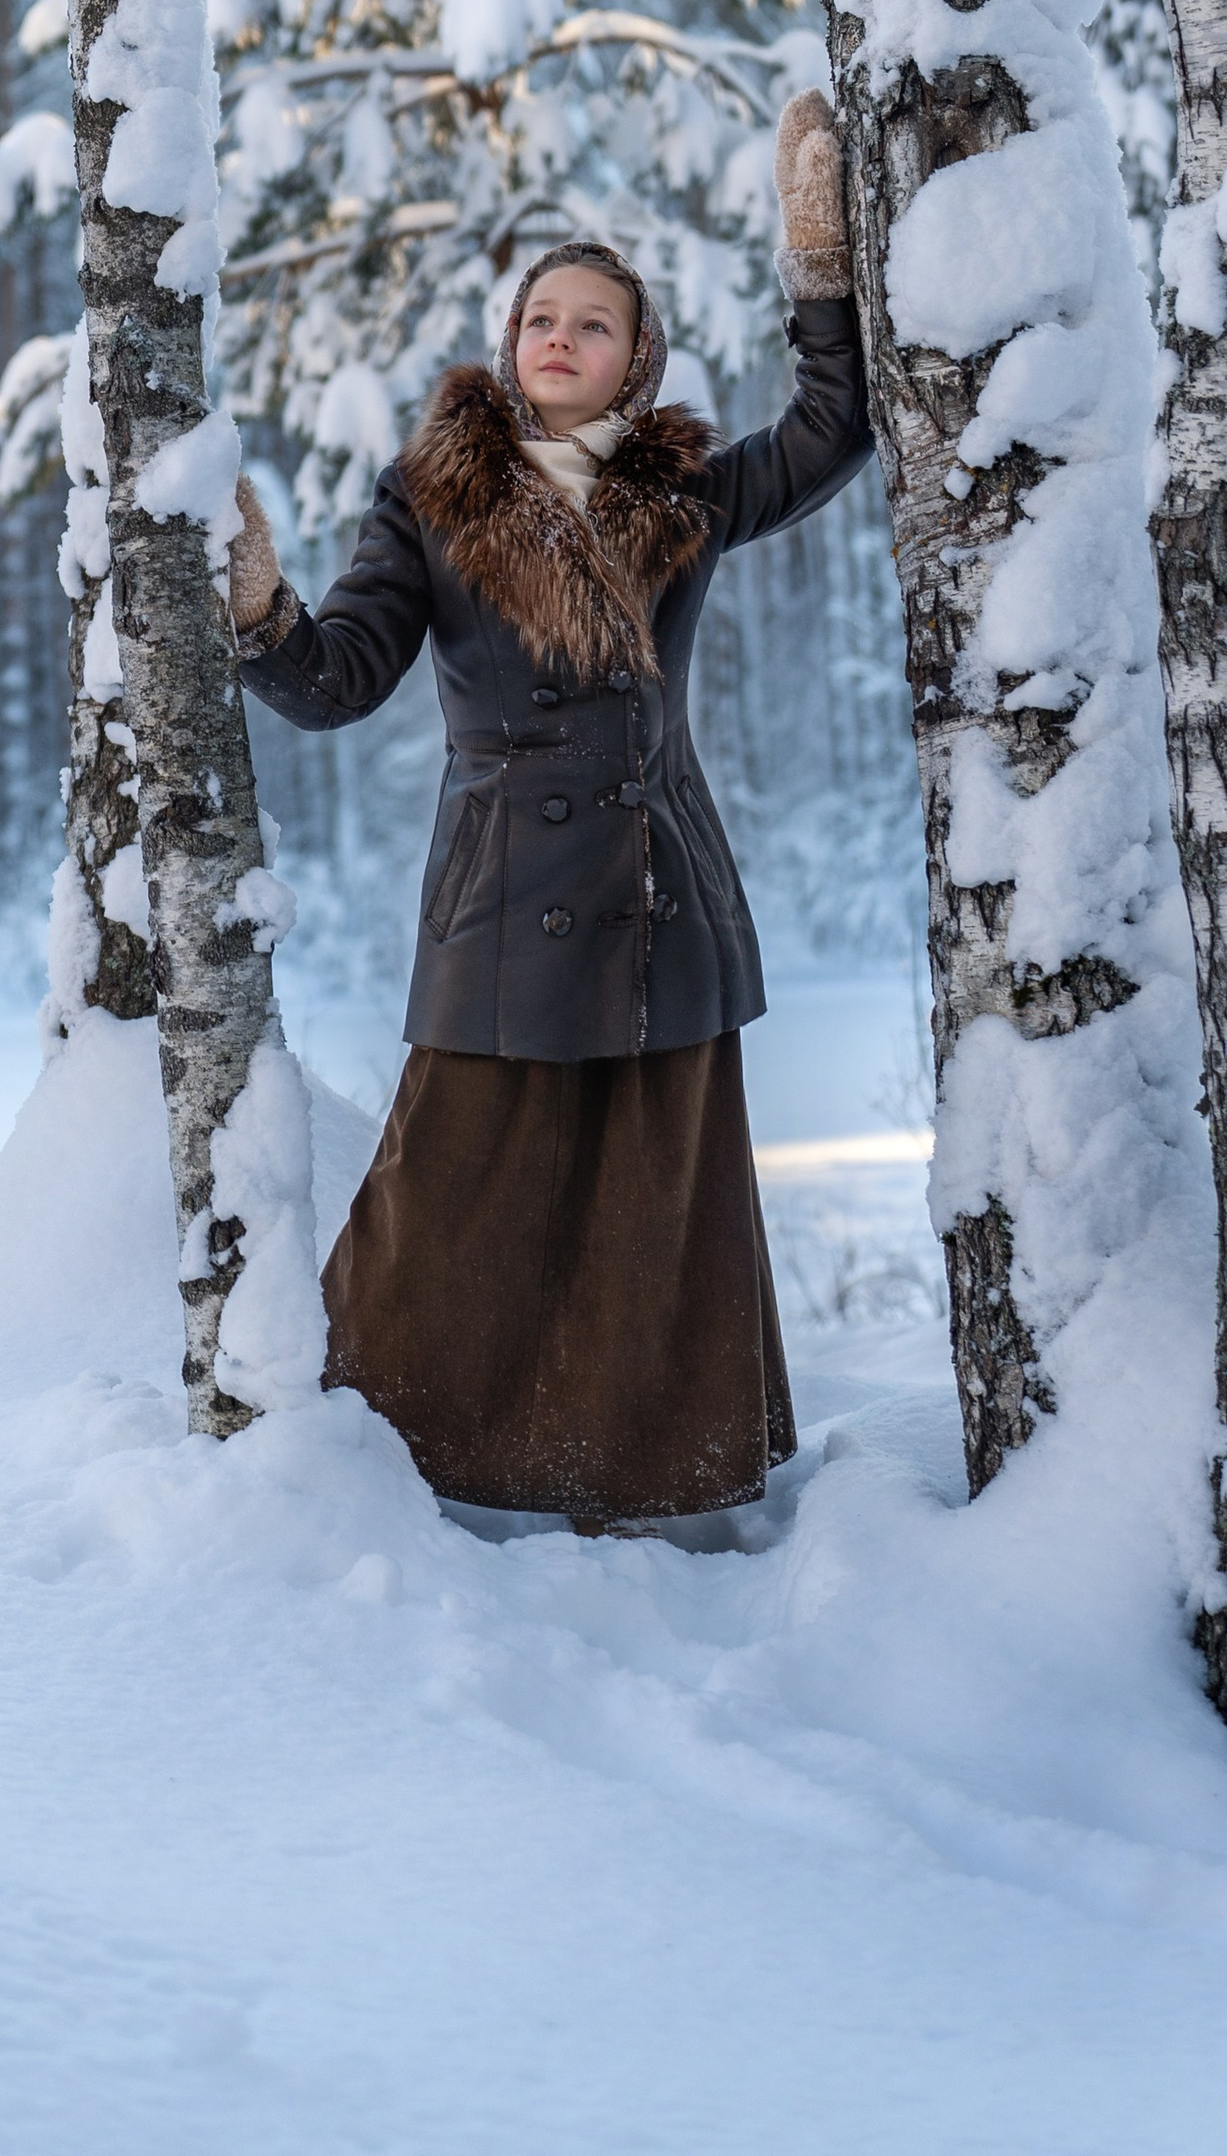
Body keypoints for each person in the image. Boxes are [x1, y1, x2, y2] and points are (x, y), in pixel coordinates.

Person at [224, 91, 871, 1532]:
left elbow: (835, 430)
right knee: (443, 1201)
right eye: (540, 320)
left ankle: (653, 1487)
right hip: (501, 905)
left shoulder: (684, 490)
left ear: (640, 360)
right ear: (510, 348)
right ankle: (391, 1478)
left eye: (594, 323)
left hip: (658, 899)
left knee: (653, 1206)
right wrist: (261, 610)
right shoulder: (432, 498)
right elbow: (336, 681)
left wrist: (821, 273)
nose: (560, 338)